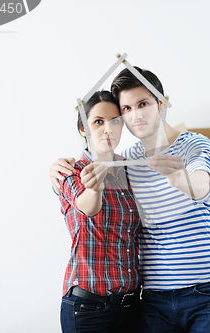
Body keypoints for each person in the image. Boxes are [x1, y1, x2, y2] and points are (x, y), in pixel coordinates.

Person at [51, 67, 210, 333]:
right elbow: (84, 196)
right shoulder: (126, 163)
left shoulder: (195, 145)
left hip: (207, 291)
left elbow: (204, 184)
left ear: (161, 104)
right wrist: (54, 173)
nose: (135, 115)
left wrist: (180, 178)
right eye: (126, 109)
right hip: (153, 299)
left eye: (143, 104)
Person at [58, 91, 142, 333]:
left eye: (115, 120)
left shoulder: (130, 171)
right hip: (87, 310)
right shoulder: (70, 171)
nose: (108, 129)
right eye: (98, 121)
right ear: (83, 128)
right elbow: (88, 207)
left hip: (132, 308)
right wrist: (95, 188)